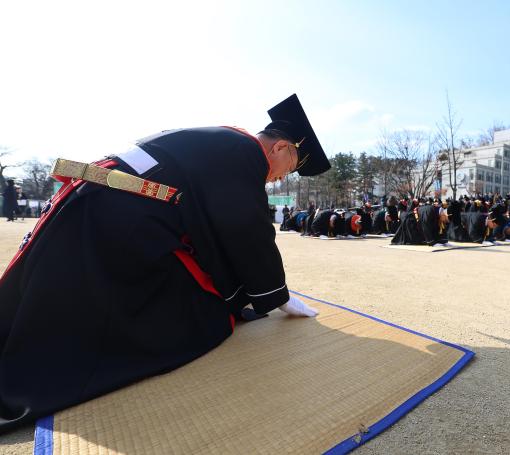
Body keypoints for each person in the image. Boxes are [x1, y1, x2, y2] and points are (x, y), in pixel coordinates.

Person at [0, 94, 331, 433]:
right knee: (203, 315)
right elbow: (245, 225)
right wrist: (276, 293)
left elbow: (213, 219)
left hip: (97, 201)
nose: (277, 180)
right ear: (281, 148)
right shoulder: (245, 153)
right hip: (112, 217)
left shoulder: (226, 138)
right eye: (287, 170)